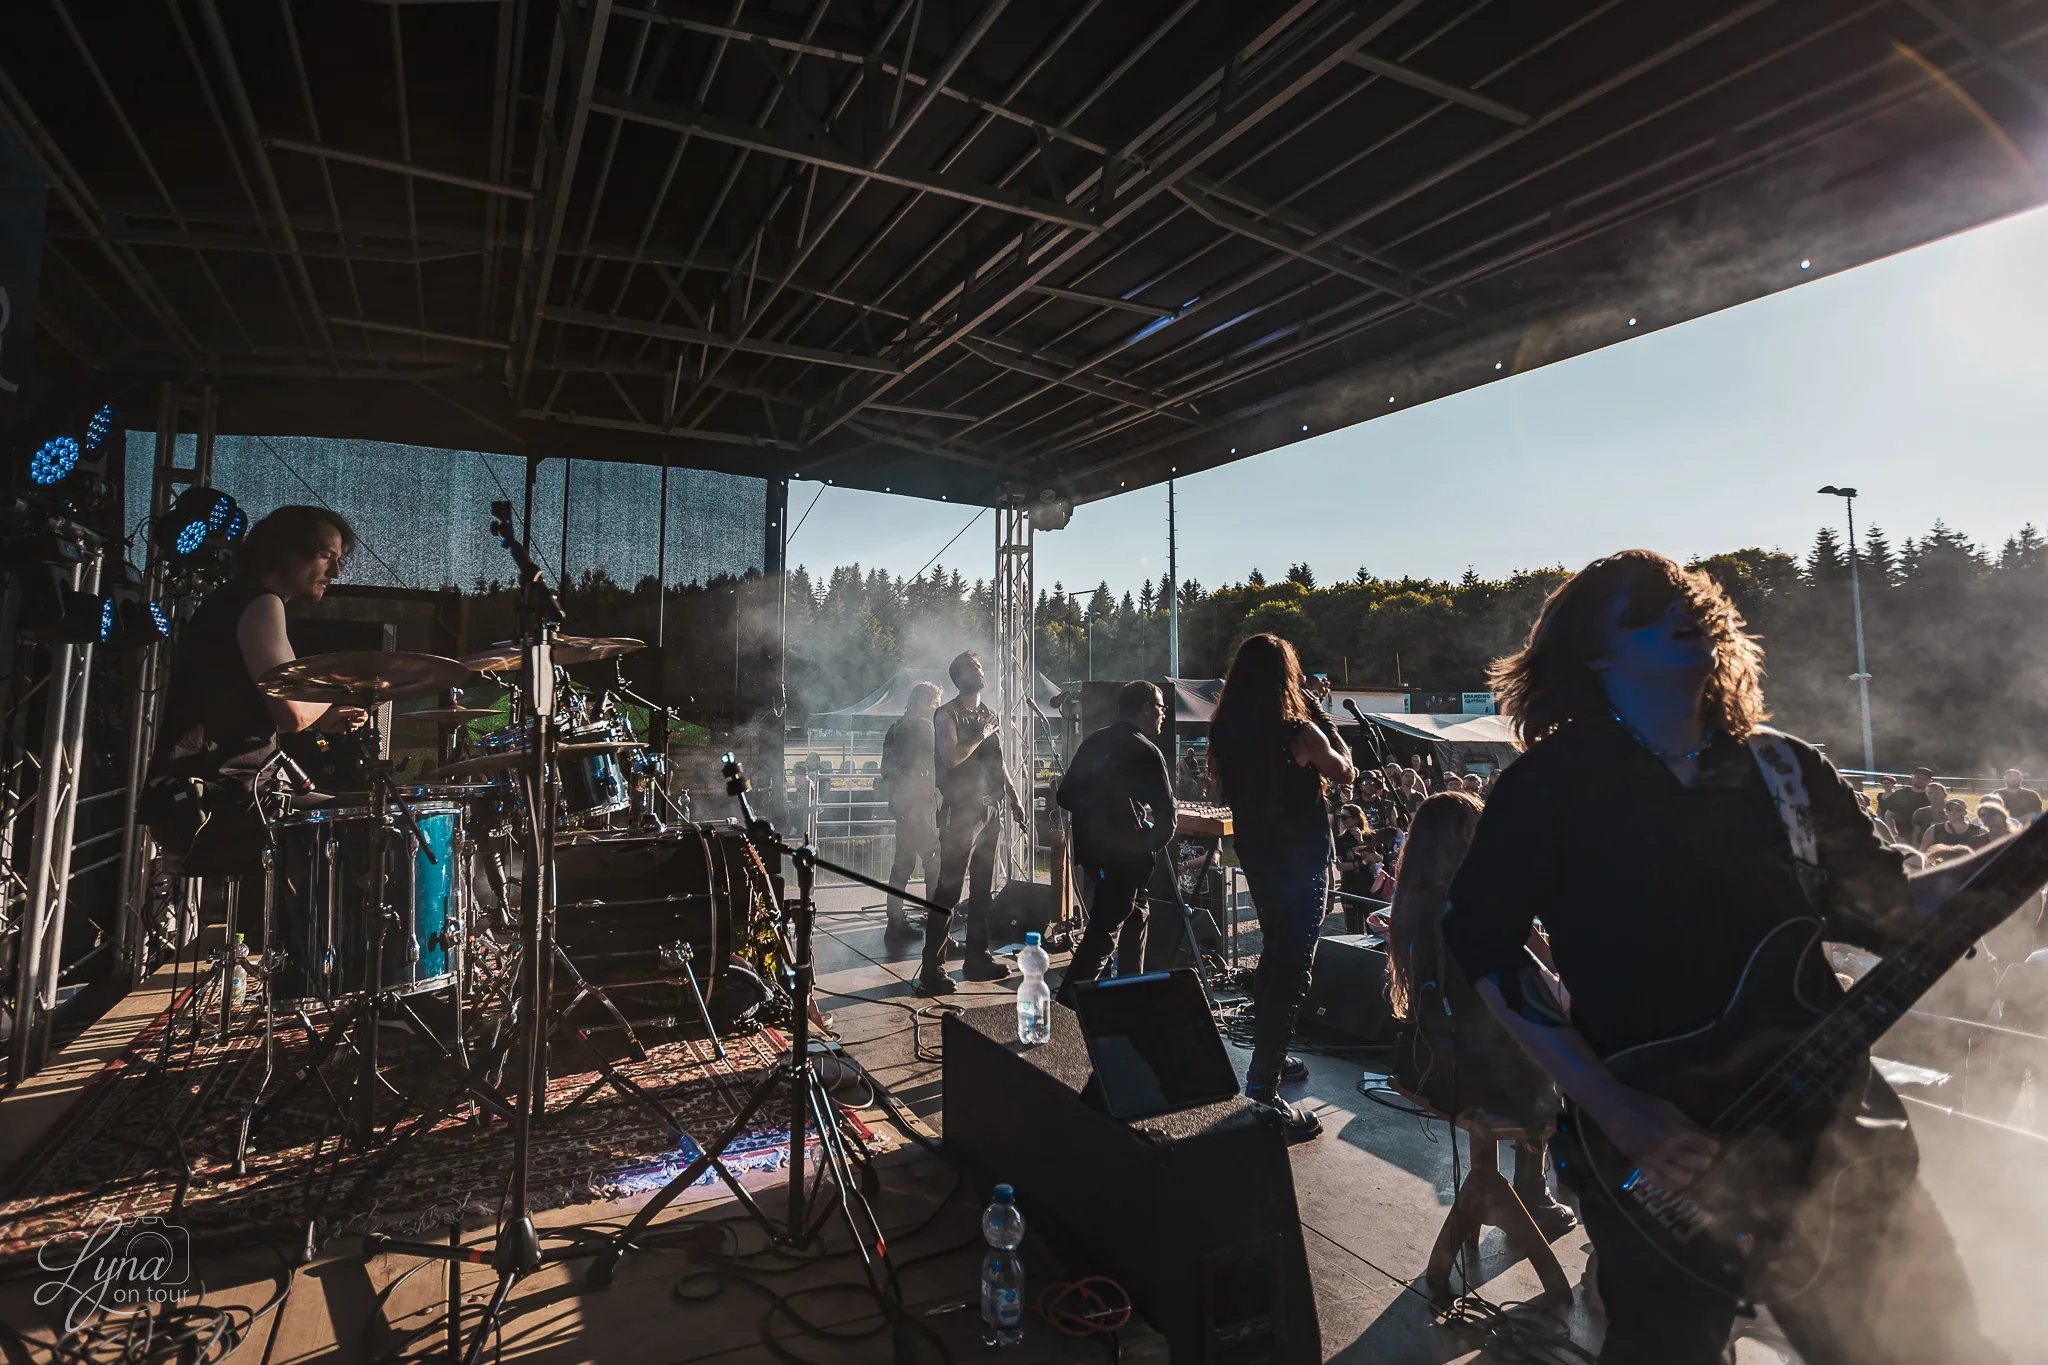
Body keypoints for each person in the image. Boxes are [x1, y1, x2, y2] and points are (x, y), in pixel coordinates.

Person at [1438, 548, 2003, 1365]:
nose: (1680, 606)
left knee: (1934, 1348)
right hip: (1668, 1150)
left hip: (1837, 1144)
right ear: (1597, 651)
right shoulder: (1553, 783)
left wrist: (2022, 853)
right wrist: (1611, 1106)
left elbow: (1896, 909)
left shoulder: (1785, 770)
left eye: (1684, 593)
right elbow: (1483, 941)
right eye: (1643, 605)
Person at [1385, 791, 1577, 1240]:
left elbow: (1530, 946)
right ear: (1469, 836)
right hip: (1477, 1075)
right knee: (1561, 1055)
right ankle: (1534, 1194)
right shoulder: (1475, 905)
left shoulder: (1419, 897)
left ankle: (1523, 1188)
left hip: (1427, 1061)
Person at [141, 506, 367, 874]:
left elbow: (248, 705)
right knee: (365, 831)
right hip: (219, 798)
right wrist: (346, 683)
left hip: (203, 792)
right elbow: (291, 714)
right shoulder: (261, 603)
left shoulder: (237, 599)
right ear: (284, 550)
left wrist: (322, 714)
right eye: (326, 556)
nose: (335, 572)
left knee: (350, 818)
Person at [1210, 633, 1356, 1141]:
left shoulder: (1226, 732)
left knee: (1275, 954)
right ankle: (1263, 1092)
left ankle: (1272, 1055)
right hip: (1302, 862)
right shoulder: (1301, 732)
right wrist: (1324, 716)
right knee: (1293, 968)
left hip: (1259, 856)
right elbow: (1346, 772)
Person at [1053, 681, 1176, 1001]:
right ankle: (1067, 1006)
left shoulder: (1095, 741)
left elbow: (1065, 796)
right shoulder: (1146, 751)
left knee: (1137, 915)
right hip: (1124, 858)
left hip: (1093, 854)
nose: (1164, 714)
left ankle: (1129, 999)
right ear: (1146, 707)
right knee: (1103, 936)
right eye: (1161, 707)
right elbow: (1167, 820)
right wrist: (1142, 843)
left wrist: (1102, 808)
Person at [918, 651, 1026, 995]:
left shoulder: (988, 714)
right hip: (961, 811)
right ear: (958, 677)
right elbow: (950, 759)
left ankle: (977, 959)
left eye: (979, 666)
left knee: (982, 889)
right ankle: (932, 969)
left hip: (989, 810)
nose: (979, 671)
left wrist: (1014, 798)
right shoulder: (946, 714)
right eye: (971, 667)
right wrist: (979, 734)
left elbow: (998, 762)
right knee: (949, 890)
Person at [880, 681, 942, 937]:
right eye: (935, 702)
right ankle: (937, 923)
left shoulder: (894, 729)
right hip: (921, 806)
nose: (937, 707)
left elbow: (885, 770)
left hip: (901, 805)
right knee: (935, 862)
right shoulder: (926, 727)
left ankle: (894, 922)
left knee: (902, 863)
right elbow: (938, 763)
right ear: (927, 702)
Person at [1331, 804, 1380, 934]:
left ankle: (1375, 954)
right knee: (1353, 931)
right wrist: (1361, 863)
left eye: (1344, 817)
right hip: (1350, 889)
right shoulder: (1340, 840)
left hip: (1370, 888)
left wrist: (1361, 842)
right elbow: (1340, 866)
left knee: (1374, 930)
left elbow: (1377, 859)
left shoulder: (1371, 837)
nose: (1341, 820)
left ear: (1356, 818)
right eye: (1339, 817)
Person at [1921, 796, 1989, 853]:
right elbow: (1923, 851)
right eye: (1950, 809)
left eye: (1958, 809)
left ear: (1965, 812)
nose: (1953, 812)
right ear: (1945, 811)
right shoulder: (1934, 830)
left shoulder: (1979, 831)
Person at [1878, 766, 1934, 834]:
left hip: (1927, 834)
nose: (1920, 780)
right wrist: (1895, 834)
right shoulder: (1900, 794)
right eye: (1917, 777)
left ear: (1930, 781)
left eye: (1924, 779)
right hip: (1903, 835)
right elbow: (1889, 815)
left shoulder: (1934, 795)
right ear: (1912, 777)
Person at [1910, 780, 1949, 844]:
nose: (1933, 795)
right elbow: (1916, 835)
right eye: (1930, 793)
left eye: (1937, 793)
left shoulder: (1954, 812)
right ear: (1926, 795)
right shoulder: (1920, 812)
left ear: (1945, 795)